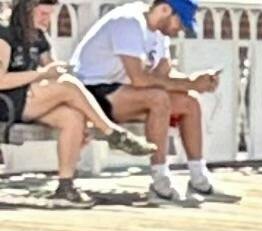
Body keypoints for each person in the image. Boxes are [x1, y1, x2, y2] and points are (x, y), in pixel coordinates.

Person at [69, 0, 232, 203]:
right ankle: (160, 180)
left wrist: (195, 81)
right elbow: (139, 79)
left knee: (190, 102)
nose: (181, 30)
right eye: (180, 23)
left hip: (123, 92)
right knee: (158, 98)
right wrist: (190, 83)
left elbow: (164, 76)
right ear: (165, 9)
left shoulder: (160, 33)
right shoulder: (129, 22)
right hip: (90, 94)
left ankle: (199, 178)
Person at [4, 0, 148, 201]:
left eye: (50, 15)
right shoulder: (5, 35)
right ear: (27, 11)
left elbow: (52, 71)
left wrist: (56, 71)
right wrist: (41, 75)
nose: (47, 20)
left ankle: (66, 185)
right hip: (7, 102)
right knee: (67, 85)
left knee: (72, 117)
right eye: (43, 14)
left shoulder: (40, 37)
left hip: (32, 100)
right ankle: (111, 133)